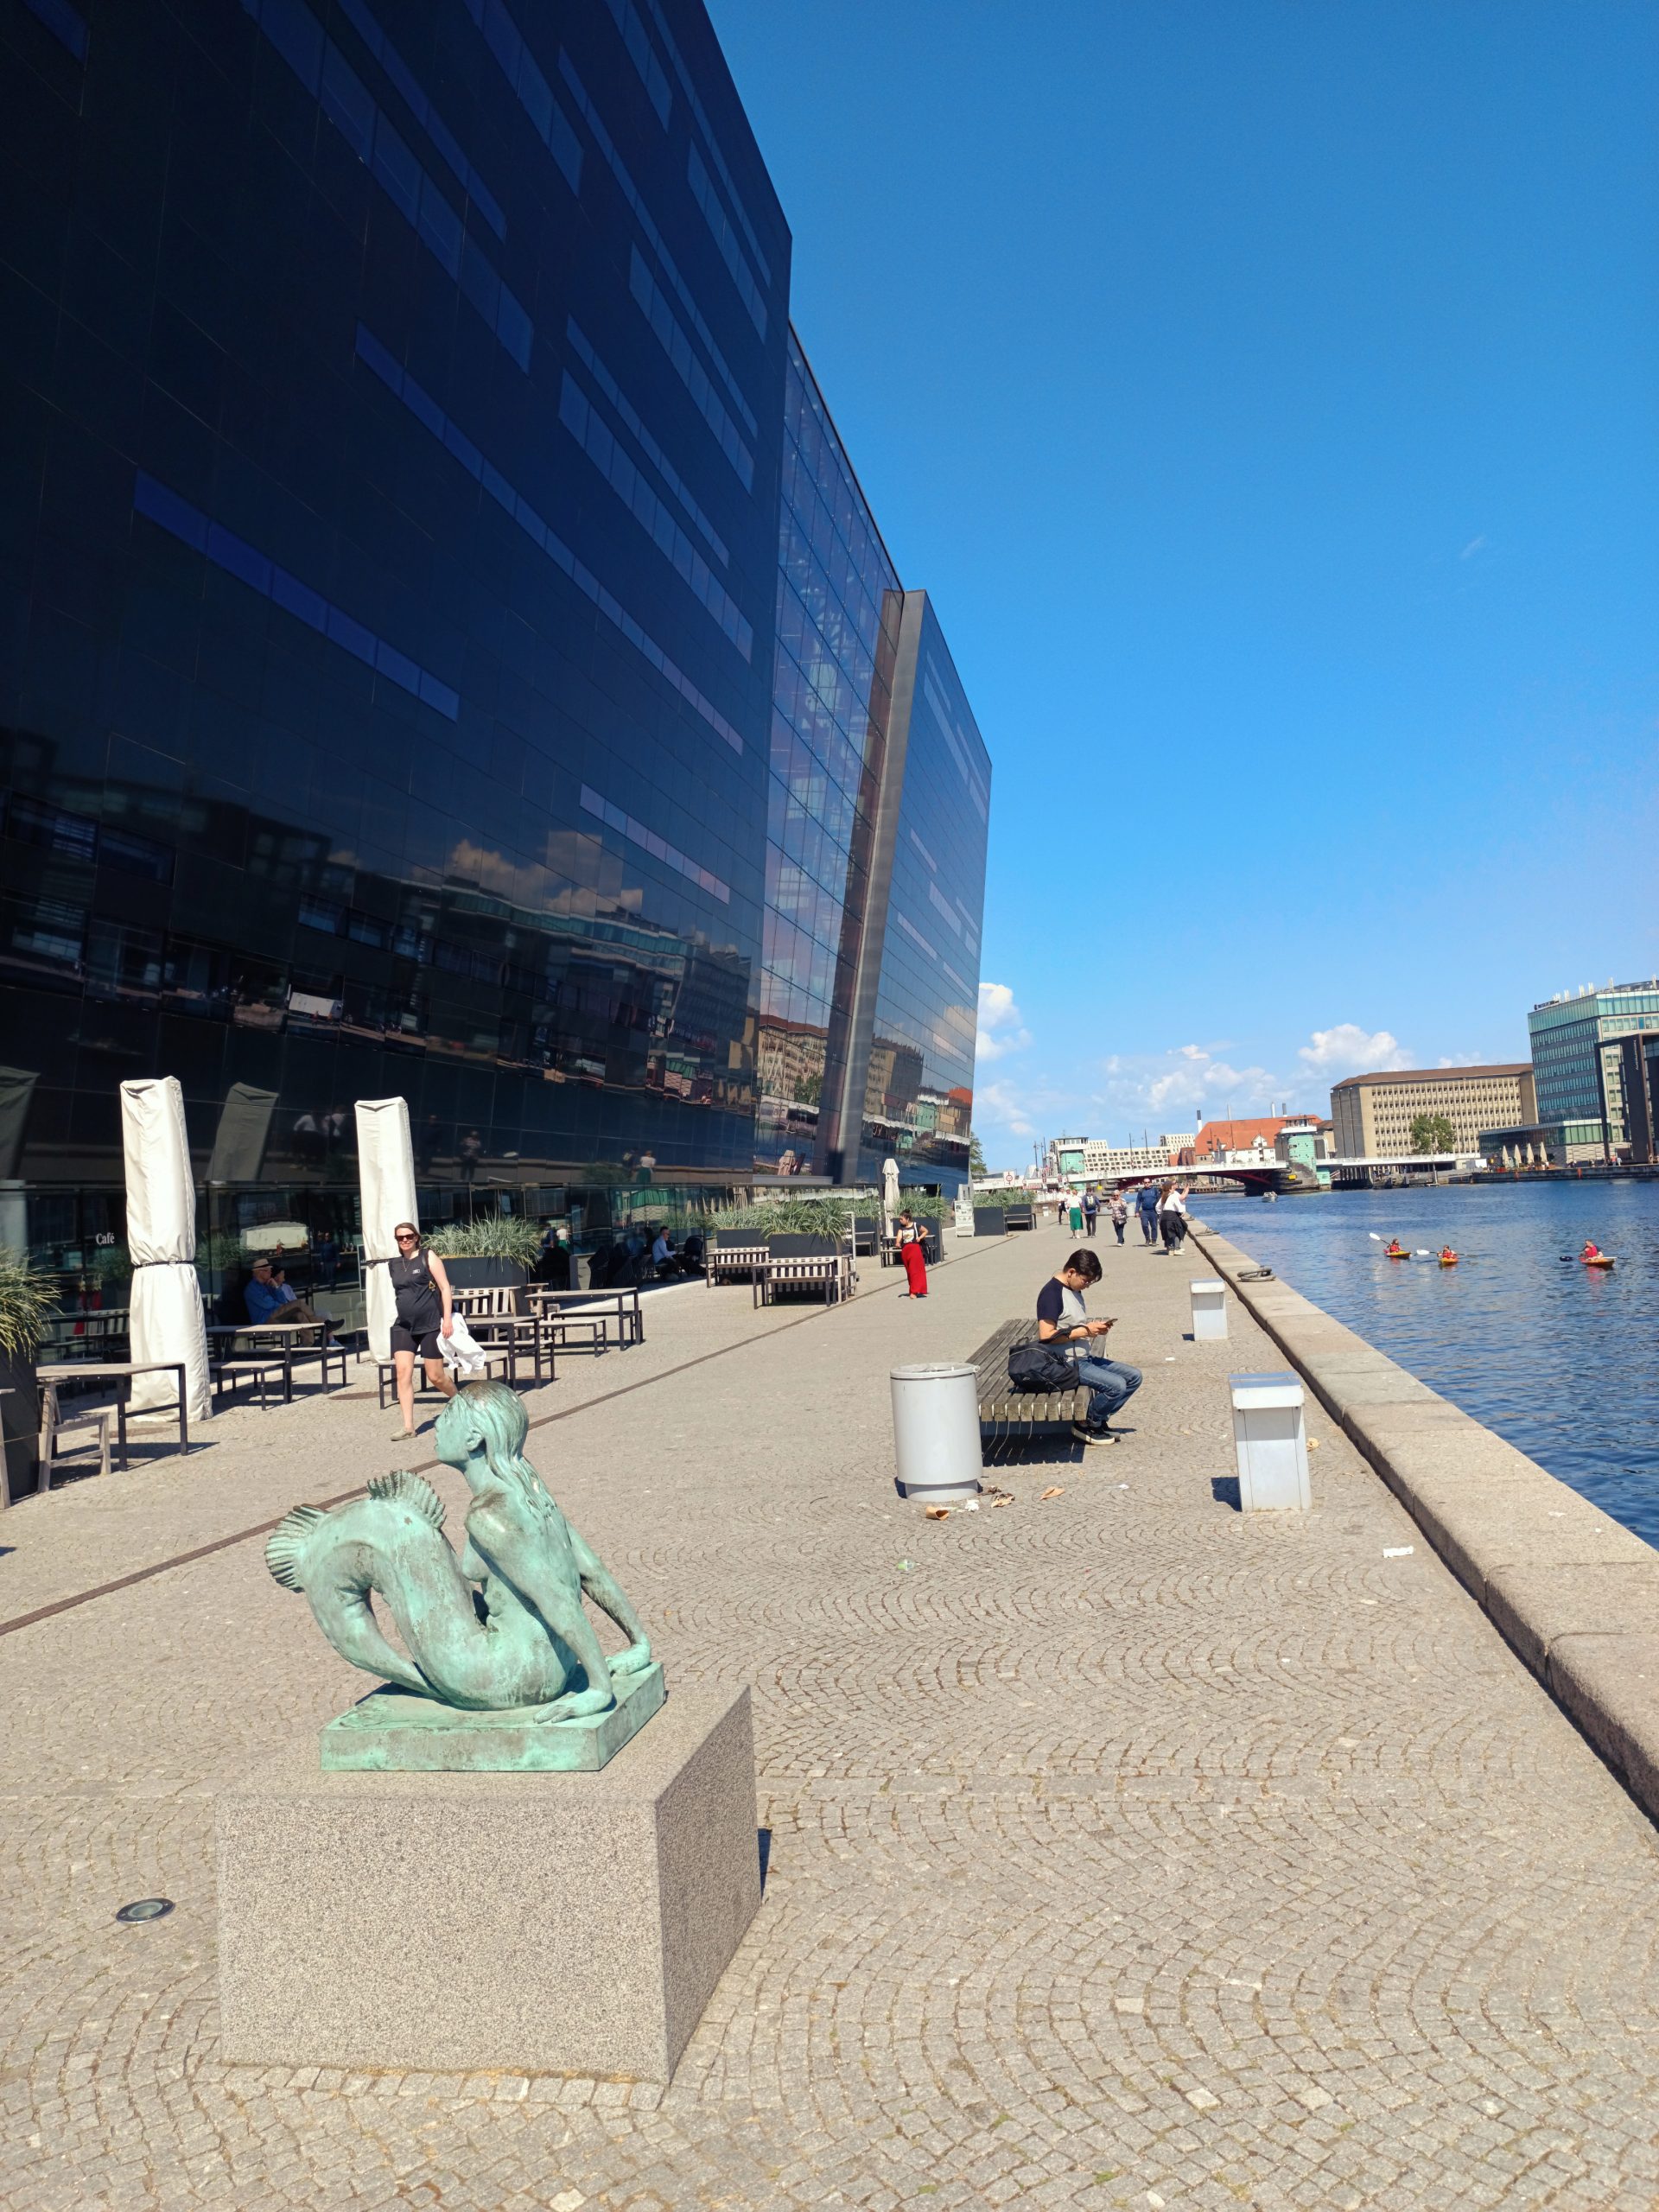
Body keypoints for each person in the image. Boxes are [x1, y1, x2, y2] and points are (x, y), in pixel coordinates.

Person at [1036, 1248, 1142, 1446]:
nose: (1087, 1286)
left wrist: (1095, 1330)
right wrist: (1085, 1331)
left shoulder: (1073, 1289)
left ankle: (1098, 1419)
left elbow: (1072, 1326)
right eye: (1085, 1281)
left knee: (1134, 1377)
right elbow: (1046, 1336)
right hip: (1065, 1363)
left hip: (1083, 1357)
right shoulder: (1051, 1294)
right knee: (1117, 1386)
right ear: (1071, 1272)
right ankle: (1086, 1423)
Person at [387, 1222, 455, 1441]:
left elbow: (445, 1287)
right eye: (400, 1238)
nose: (404, 1240)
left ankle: (460, 1401)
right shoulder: (394, 1264)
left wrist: (446, 1319)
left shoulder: (428, 1256)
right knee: (402, 1374)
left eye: (408, 1236)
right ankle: (408, 1427)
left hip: (429, 1323)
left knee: (435, 1376)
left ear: (416, 1237)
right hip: (404, 1325)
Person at [245, 1256, 338, 1340]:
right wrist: (286, 1307)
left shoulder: (269, 1285)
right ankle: (325, 1323)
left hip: (277, 1317)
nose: (270, 1272)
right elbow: (269, 1305)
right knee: (298, 1303)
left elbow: (281, 1300)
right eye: (267, 1270)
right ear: (259, 1272)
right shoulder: (252, 1289)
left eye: (270, 1270)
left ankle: (308, 1345)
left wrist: (276, 1287)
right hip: (265, 1321)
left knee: (300, 1314)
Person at [895, 1210, 928, 1298]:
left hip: (915, 1249)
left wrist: (920, 1238)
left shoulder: (915, 1225)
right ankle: (913, 1289)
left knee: (915, 1271)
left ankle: (914, 1292)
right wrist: (898, 1242)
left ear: (908, 1219)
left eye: (902, 1219)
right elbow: (899, 1236)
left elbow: (925, 1231)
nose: (900, 1221)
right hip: (906, 1250)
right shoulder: (901, 1228)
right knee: (909, 1272)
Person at [1158, 1181, 1189, 1254]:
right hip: (1171, 1215)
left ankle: (1170, 1249)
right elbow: (1178, 1204)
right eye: (1172, 1187)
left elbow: (1158, 1206)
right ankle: (1177, 1249)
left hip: (1164, 1215)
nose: (1173, 1189)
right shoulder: (1173, 1195)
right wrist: (1182, 1212)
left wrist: (1160, 1214)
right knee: (1178, 1230)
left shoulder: (1163, 1196)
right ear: (1169, 1189)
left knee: (1168, 1232)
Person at [1135, 1181, 1160, 1245]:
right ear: (1143, 1183)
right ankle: (1147, 1239)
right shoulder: (1141, 1191)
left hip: (1153, 1211)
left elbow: (1159, 1200)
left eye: (1148, 1182)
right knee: (1144, 1225)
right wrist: (1137, 1211)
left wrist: (1160, 1210)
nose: (1147, 1183)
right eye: (1145, 1182)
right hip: (1144, 1211)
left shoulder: (1154, 1190)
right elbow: (1138, 1201)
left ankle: (1154, 1240)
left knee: (1154, 1226)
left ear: (1150, 1183)